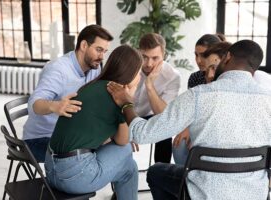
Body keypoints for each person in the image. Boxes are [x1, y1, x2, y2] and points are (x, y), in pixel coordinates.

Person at [107, 40, 271, 200]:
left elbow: (143, 134)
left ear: (227, 57)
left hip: (203, 191)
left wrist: (125, 103)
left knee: (156, 171)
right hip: (255, 194)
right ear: (254, 68)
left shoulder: (197, 96)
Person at [45, 45, 143, 200]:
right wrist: (128, 98)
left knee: (129, 168)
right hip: (74, 176)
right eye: (139, 72)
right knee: (126, 150)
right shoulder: (117, 97)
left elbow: (98, 133)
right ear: (130, 74)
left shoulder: (93, 86)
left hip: (50, 169)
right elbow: (123, 140)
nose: (140, 76)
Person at [22, 25, 113, 162]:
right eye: (98, 50)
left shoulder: (94, 67)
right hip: (39, 140)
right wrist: (55, 106)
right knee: (85, 156)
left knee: (115, 145)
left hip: (69, 134)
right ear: (83, 45)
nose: (102, 56)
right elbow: (34, 105)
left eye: (104, 51)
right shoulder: (58, 69)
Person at [172, 41, 232, 165]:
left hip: (217, 139)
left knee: (155, 172)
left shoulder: (236, 89)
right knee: (179, 143)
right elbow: (191, 111)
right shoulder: (196, 78)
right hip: (199, 124)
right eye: (196, 55)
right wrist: (189, 128)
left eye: (214, 68)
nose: (199, 60)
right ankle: (186, 179)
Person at [134, 33, 181, 163]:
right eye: (144, 57)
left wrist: (149, 85)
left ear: (164, 56)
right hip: (123, 115)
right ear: (139, 53)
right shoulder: (128, 67)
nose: (149, 63)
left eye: (155, 58)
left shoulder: (172, 76)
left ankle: (160, 172)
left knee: (165, 127)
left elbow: (163, 115)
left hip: (150, 117)